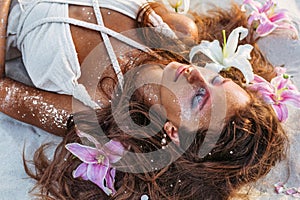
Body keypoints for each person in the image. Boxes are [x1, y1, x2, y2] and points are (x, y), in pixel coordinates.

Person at [0, 0, 289, 199]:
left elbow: (3, 92)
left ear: (174, 133)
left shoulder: (91, 112)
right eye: (216, 79)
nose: (198, 76)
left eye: (200, 97)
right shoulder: (175, 29)